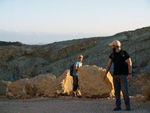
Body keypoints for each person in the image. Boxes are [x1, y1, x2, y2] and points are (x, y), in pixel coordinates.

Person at [104, 40, 132, 111]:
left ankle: (127, 106)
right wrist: (105, 73)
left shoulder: (124, 53)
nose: (111, 47)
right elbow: (109, 64)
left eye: (112, 46)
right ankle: (118, 106)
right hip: (115, 75)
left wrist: (129, 74)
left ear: (115, 46)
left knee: (124, 91)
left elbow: (129, 63)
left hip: (123, 75)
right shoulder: (112, 54)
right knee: (116, 92)